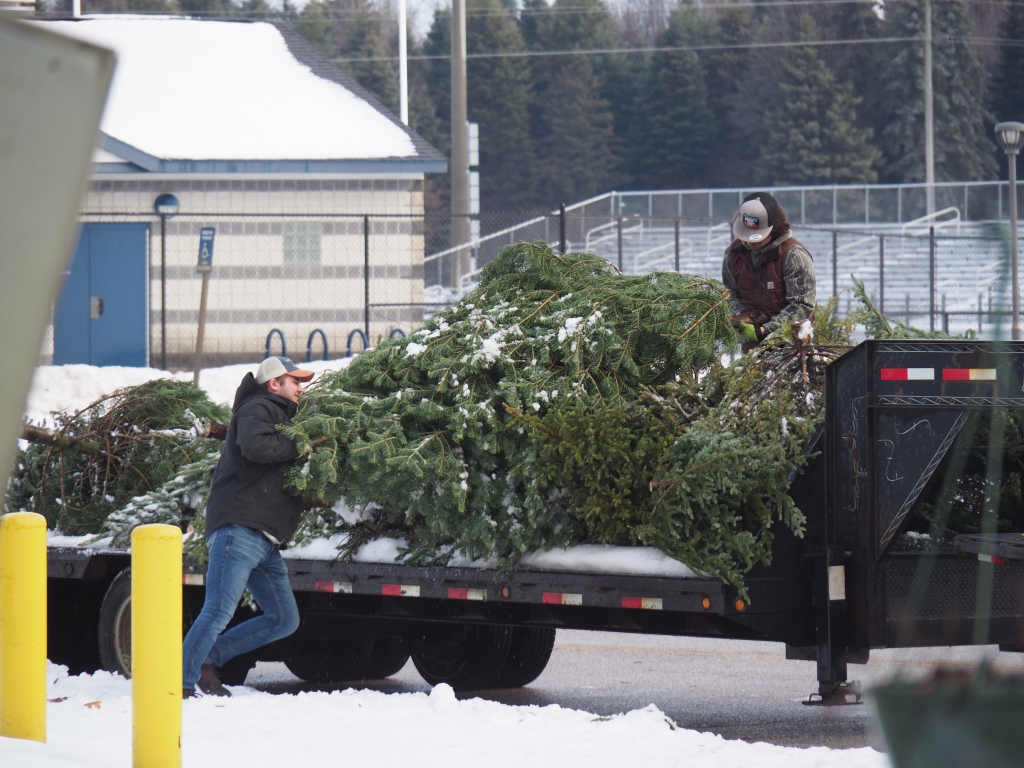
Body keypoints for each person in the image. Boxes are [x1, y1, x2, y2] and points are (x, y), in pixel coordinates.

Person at [182, 355, 314, 697]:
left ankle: (208, 658)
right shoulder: (258, 407)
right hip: (238, 529)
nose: (301, 387)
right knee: (217, 611)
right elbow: (256, 446)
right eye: (294, 381)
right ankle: (177, 683)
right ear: (275, 384)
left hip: (264, 540)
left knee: (284, 619)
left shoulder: (279, 415)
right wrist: (302, 444)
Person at [722, 191, 816, 346]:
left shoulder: (793, 255)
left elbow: (802, 306)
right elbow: (732, 295)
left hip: (793, 343)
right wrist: (744, 318)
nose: (750, 242)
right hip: (752, 344)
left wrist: (765, 330)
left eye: (756, 236)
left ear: (773, 228)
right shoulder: (733, 254)